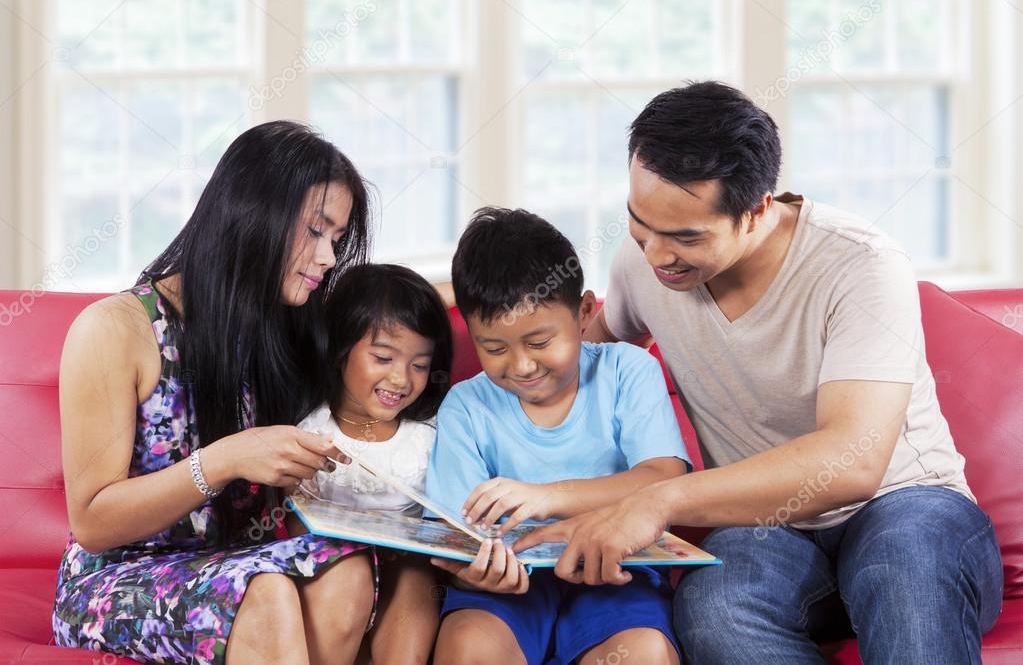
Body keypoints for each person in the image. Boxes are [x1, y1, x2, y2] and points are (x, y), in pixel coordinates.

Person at [515, 81, 1004, 663]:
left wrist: (657, 502)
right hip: (766, 529)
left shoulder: (860, 265)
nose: (655, 255)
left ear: (757, 210)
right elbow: (574, 366)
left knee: (905, 571)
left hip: (907, 506)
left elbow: (853, 462)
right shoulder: (644, 263)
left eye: (686, 237)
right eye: (639, 222)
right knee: (717, 607)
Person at [53, 121, 381, 665]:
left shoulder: (285, 323)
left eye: (337, 240)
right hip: (114, 578)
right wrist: (225, 460)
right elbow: (92, 522)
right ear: (253, 213)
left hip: (230, 562)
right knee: (266, 591)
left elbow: (394, 307)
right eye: (316, 231)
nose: (327, 257)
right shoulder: (117, 328)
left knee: (347, 568)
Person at [426, 207, 690, 665]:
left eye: (540, 343)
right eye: (494, 348)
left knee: (642, 654)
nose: (522, 365)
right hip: (507, 589)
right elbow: (454, 538)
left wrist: (546, 496)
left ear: (585, 312)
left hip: (613, 573)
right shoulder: (466, 406)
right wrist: (473, 574)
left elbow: (663, 480)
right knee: (468, 648)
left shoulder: (627, 370)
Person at [286, 263, 453, 663]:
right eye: (383, 357)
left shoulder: (428, 433)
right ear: (340, 351)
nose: (401, 379)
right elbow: (291, 516)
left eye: (419, 365)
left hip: (408, 569)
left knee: (416, 579)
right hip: (332, 571)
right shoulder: (308, 427)